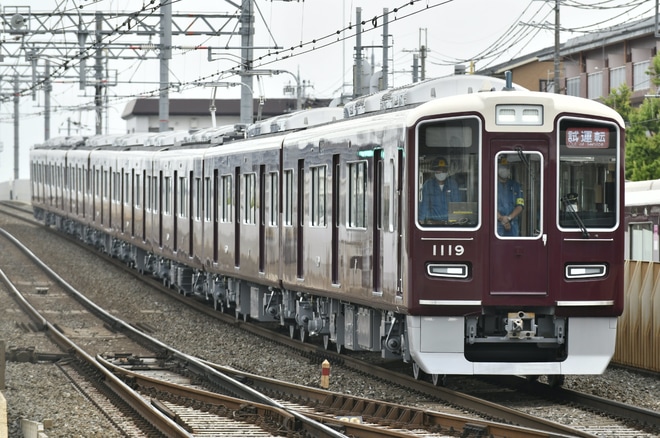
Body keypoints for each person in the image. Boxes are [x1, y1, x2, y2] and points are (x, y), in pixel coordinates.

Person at [419, 157, 461, 224]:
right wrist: (421, 220)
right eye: (439, 170)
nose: (441, 173)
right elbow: (424, 204)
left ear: (447, 171)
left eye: (444, 170)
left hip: (450, 223)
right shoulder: (428, 185)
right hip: (433, 223)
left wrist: (459, 220)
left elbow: (457, 204)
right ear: (434, 171)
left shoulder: (452, 184)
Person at [496, 155, 524, 236]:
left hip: (512, 225)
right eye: (503, 167)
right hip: (496, 225)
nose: (506, 170)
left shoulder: (516, 185)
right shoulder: (491, 184)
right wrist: (501, 218)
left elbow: (520, 205)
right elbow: (488, 205)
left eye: (507, 168)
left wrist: (509, 218)